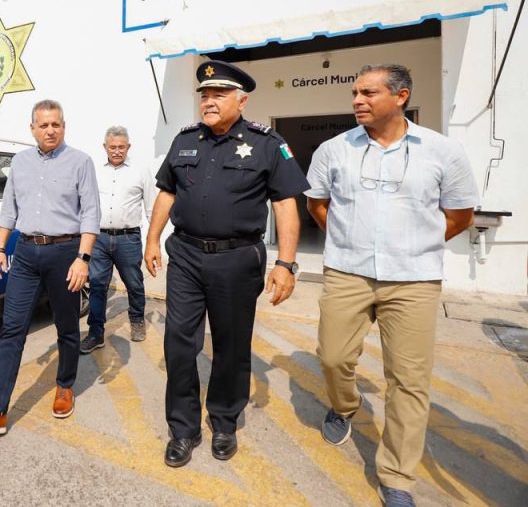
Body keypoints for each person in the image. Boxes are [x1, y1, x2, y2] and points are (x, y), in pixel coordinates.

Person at [305, 64, 477, 507]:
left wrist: (414, 246)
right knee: (332, 356)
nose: (357, 101)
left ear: (401, 97)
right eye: (355, 93)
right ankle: (345, 406)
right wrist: (348, 241)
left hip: (414, 280)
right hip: (348, 272)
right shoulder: (333, 149)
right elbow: (318, 205)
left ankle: (397, 476)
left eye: (369, 93)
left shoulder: (443, 151)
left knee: (408, 380)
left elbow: (460, 216)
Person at [144, 59, 309, 468]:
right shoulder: (185, 140)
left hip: (237, 259)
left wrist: (286, 264)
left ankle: (224, 421)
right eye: (205, 95)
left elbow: (285, 204)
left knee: (231, 345)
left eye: (219, 94)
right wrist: (152, 240)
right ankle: (183, 429)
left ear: (242, 101)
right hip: (185, 255)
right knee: (178, 344)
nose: (209, 101)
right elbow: (167, 192)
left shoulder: (267, 143)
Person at [0, 99, 101, 436]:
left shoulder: (81, 162)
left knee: (66, 326)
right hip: (25, 253)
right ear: (32, 129)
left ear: (64, 127)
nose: (50, 130)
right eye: (44, 125)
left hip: (65, 253)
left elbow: (91, 214)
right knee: (12, 328)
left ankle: (65, 386)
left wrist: (83, 259)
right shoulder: (20, 162)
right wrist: (0, 248)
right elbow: (9, 209)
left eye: (56, 124)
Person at [79, 125, 154, 353]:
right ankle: (96, 333)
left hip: (128, 239)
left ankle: (137, 320)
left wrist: (154, 242)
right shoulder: (94, 171)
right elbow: (85, 204)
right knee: (98, 286)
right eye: (112, 147)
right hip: (99, 238)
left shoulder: (140, 172)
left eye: (121, 147)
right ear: (105, 147)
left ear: (128, 147)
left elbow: (151, 209)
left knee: (134, 283)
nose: (117, 151)